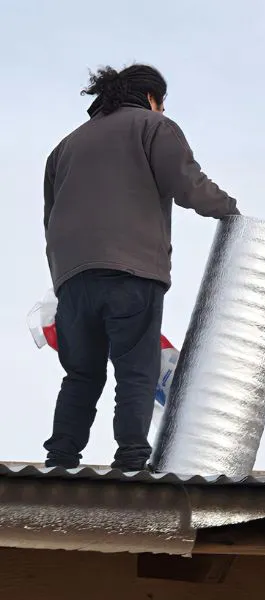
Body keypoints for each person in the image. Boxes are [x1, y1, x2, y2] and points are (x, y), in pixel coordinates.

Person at [42, 64, 240, 471]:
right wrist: (231, 212)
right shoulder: (152, 127)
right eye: (162, 103)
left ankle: (60, 456)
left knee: (81, 373)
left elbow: (51, 216)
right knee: (136, 367)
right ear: (152, 97)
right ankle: (131, 457)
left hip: (72, 278)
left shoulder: (63, 148)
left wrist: (65, 274)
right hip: (131, 270)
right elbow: (187, 184)